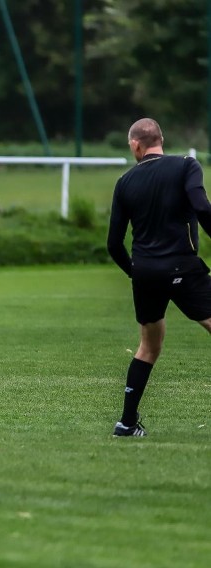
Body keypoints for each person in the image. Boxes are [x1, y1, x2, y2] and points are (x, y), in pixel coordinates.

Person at [106, 118, 211, 437]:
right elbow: (203, 208)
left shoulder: (125, 181)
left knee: (148, 347)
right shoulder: (185, 166)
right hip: (183, 267)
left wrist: (135, 274)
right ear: (160, 140)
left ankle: (126, 423)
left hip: (146, 273)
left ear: (136, 145)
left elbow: (113, 244)